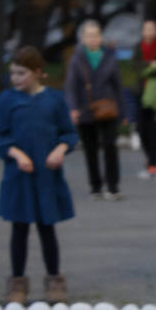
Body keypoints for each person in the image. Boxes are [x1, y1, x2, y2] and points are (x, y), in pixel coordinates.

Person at [0, 45, 77, 305]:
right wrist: (16, 154)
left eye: (21, 73)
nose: (15, 79)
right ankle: (17, 283)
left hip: (47, 177)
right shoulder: (7, 101)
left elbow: (69, 134)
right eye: (13, 74)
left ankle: (54, 280)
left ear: (38, 72)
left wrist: (60, 150)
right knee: (19, 229)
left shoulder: (54, 100)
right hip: (19, 177)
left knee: (47, 228)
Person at [64, 19, 126, 200]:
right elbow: (71, 87)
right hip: (85, 109)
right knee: (90, 149)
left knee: (110, 146)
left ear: (101, 37)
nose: (93, 39)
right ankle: (95, 186)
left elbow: (118, 86)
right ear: (82, 38)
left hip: (107, 108)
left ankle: (113, 186)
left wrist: (123, 111)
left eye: (96, 35)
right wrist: (73, 108)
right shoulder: (77, 59)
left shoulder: (110, 57)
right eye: (89, 35)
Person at [131, 19, 156, 179]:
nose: (149, 31)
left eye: (152, 28)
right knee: (141, 129)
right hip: (141, 93)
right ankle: (149, 156)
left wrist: (153, 67)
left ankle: (154, 163)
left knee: (155, 129)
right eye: (146, 28)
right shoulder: (137, 48)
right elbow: (136, 66)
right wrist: (152, 65)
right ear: (142, 31)